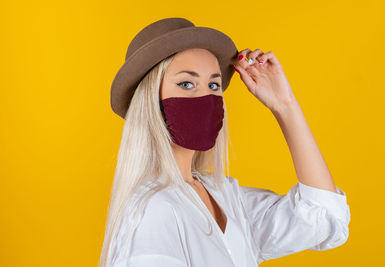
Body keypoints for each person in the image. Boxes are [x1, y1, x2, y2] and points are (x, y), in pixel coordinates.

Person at [99, 17, 351, 267]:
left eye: (213, 84)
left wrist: (285, 106)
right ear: (151, 100)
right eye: (186, 84)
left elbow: (323, 216)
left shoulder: (224, 195)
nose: (206, 97)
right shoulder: (153, 210)